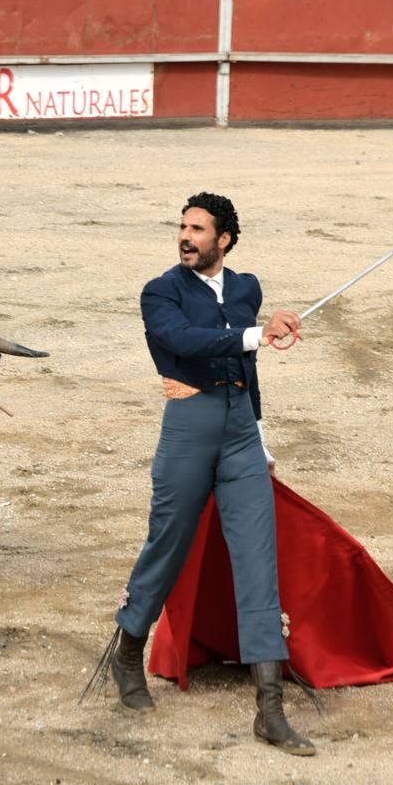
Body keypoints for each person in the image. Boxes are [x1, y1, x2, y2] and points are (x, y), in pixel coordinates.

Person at [90, 191, 314, 756]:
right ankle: (126, 651)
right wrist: (257, 334)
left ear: (225, 239)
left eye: (198, 229)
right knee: (168, 544)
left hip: (239, 430)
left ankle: (270, 710)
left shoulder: (246, 288)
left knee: (258, 560)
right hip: (188, 427)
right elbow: (183, 342)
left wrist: (259, 435)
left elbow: (248, 368)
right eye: (182, 226)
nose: (186, 237)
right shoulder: (161, 290)